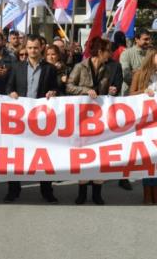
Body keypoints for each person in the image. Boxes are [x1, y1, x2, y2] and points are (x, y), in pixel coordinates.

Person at [4, 35, 60, 203]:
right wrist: (11, 93)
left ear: (41, 48)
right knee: (16, 155)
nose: (32, 51)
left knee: (44, 155)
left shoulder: (50, 69)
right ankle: (13, 189)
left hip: (42, 119)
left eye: (35, 48)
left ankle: (46, 190)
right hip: (21, 119)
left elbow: (55, 87)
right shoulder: (17, 67)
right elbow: (9, 86)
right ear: (25, 49)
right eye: (29, 48)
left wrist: (53, 92)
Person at [66, 37, 118, 205]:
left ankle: (97, 192)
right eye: (108, 50)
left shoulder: (107, 69)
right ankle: (81, 191)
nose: (110, 54)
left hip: (99, 117)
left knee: (99, 153)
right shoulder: (80, 67)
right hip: (82, 117)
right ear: (100, 51)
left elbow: (104, 91)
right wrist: (85, 91)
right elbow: (69, 86)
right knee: (82, 153)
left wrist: (111, 90)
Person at [129, 48, 157, 204]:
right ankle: (147, 191)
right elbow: (130, 95)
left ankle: (156, 190)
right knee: (148, 157)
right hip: (144, 122)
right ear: (151, 57)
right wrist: (143, 92)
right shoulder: (139, 74)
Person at [120, 29, 151, 95]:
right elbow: (126, 75)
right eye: (145, 39)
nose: (148, 42)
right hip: (130, 95)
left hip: (148, 93)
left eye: (149, 39)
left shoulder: (150, 53)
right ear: (137, 39)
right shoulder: (126, 54)